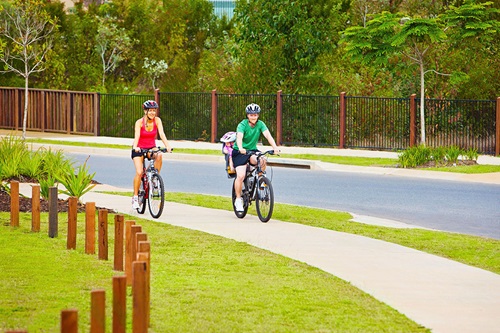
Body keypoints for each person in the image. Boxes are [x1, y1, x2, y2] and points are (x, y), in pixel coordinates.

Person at [232, 103, 280, 212]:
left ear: (258, 115)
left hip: (252, 151)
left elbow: (268, 135)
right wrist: (240, 148)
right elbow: (239, 137)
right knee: (241, 175)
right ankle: (238, 199)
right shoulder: (242, 125)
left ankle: (260, 182)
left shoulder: (260, 124)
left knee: (261, 160)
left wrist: (275, 147)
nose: (253, 117)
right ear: (247, 116)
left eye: (255, 115)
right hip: (240, 152)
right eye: (251, 115)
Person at [131, 100, 172, 209]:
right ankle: (135, 197)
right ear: (145, 111)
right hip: (139, 148)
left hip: (151, 147)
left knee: (159, 155)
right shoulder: (139, 122)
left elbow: (162, 134)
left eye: (154, 111)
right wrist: (136, 147)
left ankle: (154, 177)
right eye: (150, 111)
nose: (152, 113)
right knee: (139, 172)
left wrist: (167, 146)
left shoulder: (157, 121)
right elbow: (137, 136)